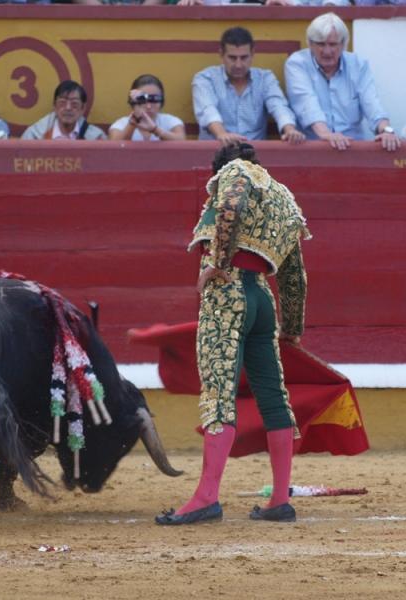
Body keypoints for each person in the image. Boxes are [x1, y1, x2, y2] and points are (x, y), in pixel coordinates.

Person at [155, 143, 310, 526]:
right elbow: (294, 275)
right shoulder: (283, 197)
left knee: (219, 391)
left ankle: (207, 497)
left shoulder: (235, 172)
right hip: (261, 298)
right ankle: (278, 500)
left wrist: (218, 264)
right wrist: (291, 329)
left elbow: (231, 207)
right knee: (273, 396)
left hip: (227, 294)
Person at [284, 12, 400, 152]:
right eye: (321, 44)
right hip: (313, 149)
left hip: (352, 149)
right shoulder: (297, 63)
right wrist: (326, 134)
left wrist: (386, 130)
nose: (327, 51)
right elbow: (307, 102)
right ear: (310, 44)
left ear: (344, 44)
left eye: (333, 44)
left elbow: (372, 103)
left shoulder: (358, 64)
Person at [192, 27, 305, 146]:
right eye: (232, 58)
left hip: (255, 155)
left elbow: (278, 106)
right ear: (221, 54)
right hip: (216, 152)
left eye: (244, 57)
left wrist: (289, 130)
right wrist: (221, 134)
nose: (238, 64)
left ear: (252, 54)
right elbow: (207, 110)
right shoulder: (205, 79)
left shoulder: (265, 78)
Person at [109, 74, 186, 141]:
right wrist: (134, 122)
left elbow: (182, 141)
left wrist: (155, 130)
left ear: (161, 101)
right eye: (142, 100)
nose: (148, 106)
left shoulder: (171, 121)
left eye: (154, 99)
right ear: (133, 102)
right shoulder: (121, 124)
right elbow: (115, 147)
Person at [21, 80, 106, 140]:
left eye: (74, 103)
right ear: (54, 106)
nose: (68, 108)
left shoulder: (95, 137)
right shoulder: (35, 136)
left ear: (83, 108)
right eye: (62, 103)